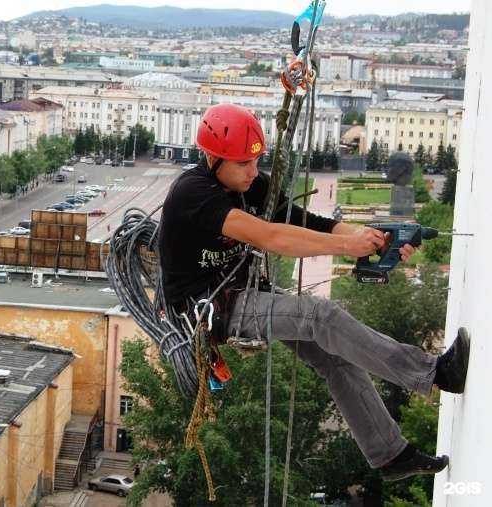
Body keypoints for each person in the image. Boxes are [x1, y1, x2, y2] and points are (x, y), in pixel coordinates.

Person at [157, 103, 470, 482]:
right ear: (212, 158)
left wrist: (367, 239)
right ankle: (434, 373)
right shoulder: (194, 193)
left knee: (336, 356)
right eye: (243, 164)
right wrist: (346, 248)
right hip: (211, 309)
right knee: (321, 317)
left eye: (256, 162)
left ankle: (390, 455)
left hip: (240, 293)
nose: (254, 172)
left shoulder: (250, 185)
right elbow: (272, 237)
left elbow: (306, 222)